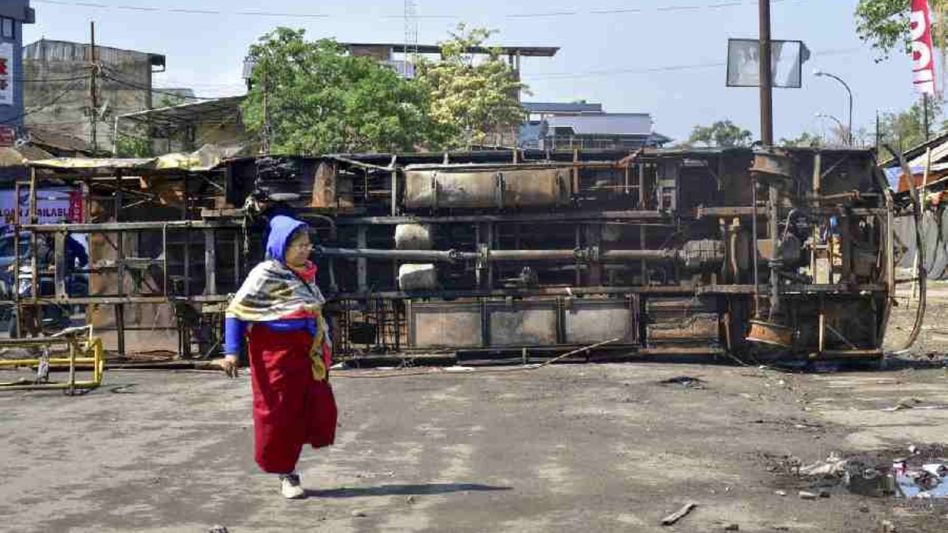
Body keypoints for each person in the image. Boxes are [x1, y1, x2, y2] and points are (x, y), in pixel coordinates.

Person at [221, 215, 337, 499]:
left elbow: (311, 310)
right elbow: (236, 311)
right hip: (274, 354)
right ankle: (286, 472)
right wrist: (232, 353)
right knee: (279, 413)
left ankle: (291, 460)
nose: (304, 250)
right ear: (280, 246)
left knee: (315, 407)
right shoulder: (265, 274)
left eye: (307, 244)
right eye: (297, 245)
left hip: (307, 353)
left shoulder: (307, 273)